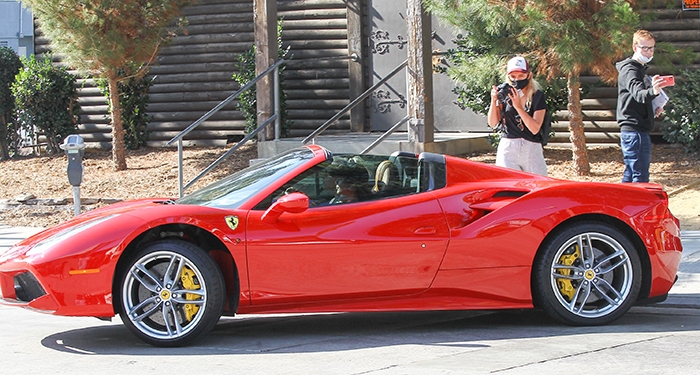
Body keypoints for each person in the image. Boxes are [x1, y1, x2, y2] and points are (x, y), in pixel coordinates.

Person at [616, 30, 673, 183]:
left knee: (631, 174)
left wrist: (653, 107)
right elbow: (638, 93)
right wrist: (654, 90)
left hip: (636, 129)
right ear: (635, 48)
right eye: (644, 48)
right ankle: (637, 206)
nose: (648, 52)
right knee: (639, 177)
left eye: (652, 48)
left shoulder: (639, 69)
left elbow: (639, 99)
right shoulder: (631, 69)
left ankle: (624, 205)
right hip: (635, 131)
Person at [487, 56, 548, 176]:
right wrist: (493, 101)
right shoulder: (505, 93)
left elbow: (535, 128)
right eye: (513, 76)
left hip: (531, 148)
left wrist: (519, 107)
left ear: (529, 75)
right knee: (509, 187)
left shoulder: (537, 96)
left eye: (521, 75)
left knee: (537, 186)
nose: (517, 80)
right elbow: (493, 123)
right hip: (508, 147)